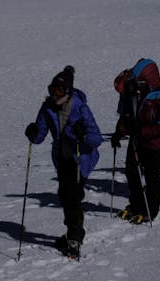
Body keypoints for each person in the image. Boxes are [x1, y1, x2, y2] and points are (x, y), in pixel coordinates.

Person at [24, 66, 103, 258]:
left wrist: (81, 134)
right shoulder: (48, 107)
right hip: (61, 157)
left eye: (58, 91)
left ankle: (75, 237)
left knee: (72, 197)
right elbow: (40, 134)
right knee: (65, 196)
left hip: (80, 159)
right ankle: (72, 233)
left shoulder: (80, 108)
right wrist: (33, 133)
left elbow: (96, 138)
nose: (54, 94)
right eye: (52, 90)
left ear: (67, 91)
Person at [111, 58, 160, 224]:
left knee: (151, 177)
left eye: (140, 82)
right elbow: (126, 115)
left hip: (155, 144)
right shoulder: (134, 94)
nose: (138, 86)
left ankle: (151, 209)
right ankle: (136, 205)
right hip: (137, 140)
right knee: (132, 174)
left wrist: (139, 131)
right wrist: (119, 133)